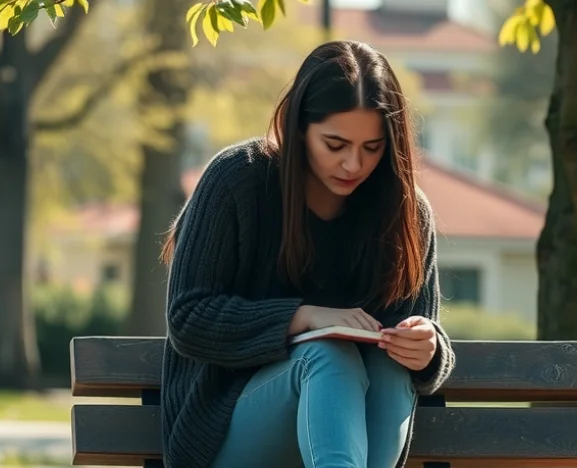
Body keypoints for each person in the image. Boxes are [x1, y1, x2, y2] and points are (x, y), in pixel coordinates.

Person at [159, 40, 456, 468]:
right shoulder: (236, 180)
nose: (354, 164)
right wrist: (304, 318)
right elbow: (188, 318)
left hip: (352, 434)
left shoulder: (405, 213)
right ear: (298, 127)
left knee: (392, 369)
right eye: (335, 145)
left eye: (372, 148)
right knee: (328, 356)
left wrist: (428, 350)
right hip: (223, 429)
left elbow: (412, 330)